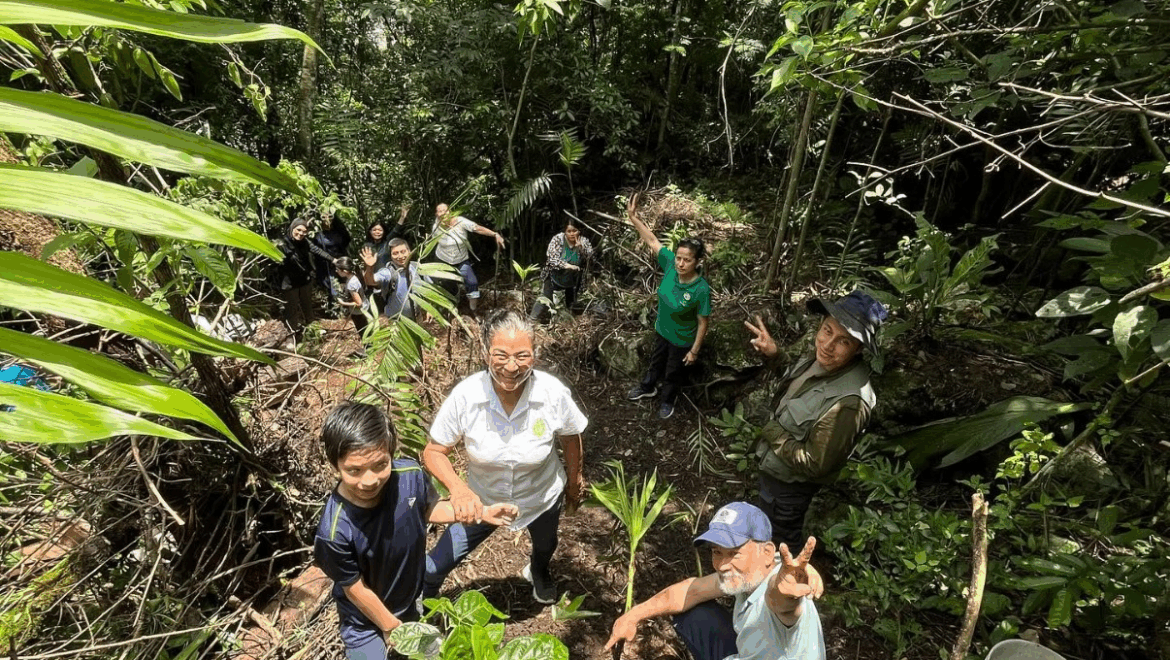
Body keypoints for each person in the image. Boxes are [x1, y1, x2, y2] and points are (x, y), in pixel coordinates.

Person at [314, 402, 517, 660]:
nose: (369, 480)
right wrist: (391, 627)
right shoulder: (334, 531)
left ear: (391, 452)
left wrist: (482, 513)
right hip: (363, 620)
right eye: (354, 470)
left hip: (409, 599)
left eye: (380, 465)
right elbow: (355, 589)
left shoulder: (409, 474)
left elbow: (428, 509)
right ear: (335, 466)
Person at [422, 310, 588, 604]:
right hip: (482, 501)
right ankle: (421, 610)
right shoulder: (466, 396)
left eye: (522, 356)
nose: (511, 367)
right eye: (501, 355)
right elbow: (434, 451)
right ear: (486, 353)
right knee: (435, 566)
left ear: (535, 355)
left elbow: (570, 437)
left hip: (541, 496)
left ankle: (538, 570)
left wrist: (575, 481)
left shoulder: (552, 393)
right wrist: (458, 490)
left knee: (546, 543)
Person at [743, 290, 887, 550]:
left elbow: (815, 464)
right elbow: (800, 384)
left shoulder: (850, 402)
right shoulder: (823, 360)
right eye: (827, 330)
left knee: (780, 550)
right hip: (773, 475)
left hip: (788, 492)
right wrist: (776, 355)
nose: (828, 345)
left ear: (858, 349)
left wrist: (772, 431)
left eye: (844, 341)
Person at [605, 502, 825, 660]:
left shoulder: (782, 587)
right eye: (717, 552)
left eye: (733, 553)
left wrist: (787, 594)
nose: (722, 564)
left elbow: (781, 603)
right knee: (695, 614)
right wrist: (632, 616)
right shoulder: (752, 570)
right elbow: (692, 590)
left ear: (767, 552)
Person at [623, 193, 712, 420]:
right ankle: (648, 387)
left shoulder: (701, 289)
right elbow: (652, 241)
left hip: (682, 339)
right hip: (662, 330)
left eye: (687, 260)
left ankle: (667, 400)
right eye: (679, 258)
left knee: (673, 371)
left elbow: (703, 322)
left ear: (697, 262)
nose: (681, 263)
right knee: (656, 363)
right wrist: (633, 218)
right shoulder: (671, 266)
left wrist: (694, 350)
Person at [430, 202, 505, 313]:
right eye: (439, 211)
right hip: (443, 259)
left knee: (472, 282)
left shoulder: (460, 221)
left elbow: (477, 228)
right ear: (437, 214)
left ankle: (473, 308)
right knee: (448, 285)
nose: (442, 213)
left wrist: (495, 234)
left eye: (444, 210)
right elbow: (432, 242)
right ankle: (453, 304)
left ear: (450, 212)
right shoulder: (436, 226)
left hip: (461, 259)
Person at [529, 219, 594, 322]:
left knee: (571, 304)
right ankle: (531, 321)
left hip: (572, 280)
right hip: (554, 276)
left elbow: (590, 258)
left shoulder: (584, 241)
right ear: (565, 232)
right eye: (569, 231)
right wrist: (566, 265)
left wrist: (581, 248)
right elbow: (551, 258)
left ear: (579, 231)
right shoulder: (558, 239)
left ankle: (568, 325)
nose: (572, 234)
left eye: (575, 231)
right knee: (545, 298)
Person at [359, 238, 428, 320]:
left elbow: (426, 289)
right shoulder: (389, 272)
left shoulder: (416, 267)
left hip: (417, 317)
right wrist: (370, 267)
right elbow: (370, 281)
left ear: (409, 251)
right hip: (397, 321)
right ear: (390, 256)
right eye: (395, 253)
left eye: (403, 252)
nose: (400, 256)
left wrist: (428, 309)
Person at [275, 218, 316, 343]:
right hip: (289, 284)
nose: (301, 233)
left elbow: (317, 251)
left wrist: (333, 260)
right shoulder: (282, 244)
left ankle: (313, 334)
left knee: (308, 308)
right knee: (291, 312)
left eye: (304, 231)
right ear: (292, 229)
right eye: (298, 230)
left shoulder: (305, 243)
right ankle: (291, 338)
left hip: (304, 281)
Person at [309, 209, 352, 309]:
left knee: (340, 285)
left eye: (329, 216)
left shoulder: (339, 231)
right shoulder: (317, 234)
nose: (327, 220)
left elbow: (346, 242)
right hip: (324, 264)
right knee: (329, 285)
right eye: (324, 217)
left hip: (339, 262)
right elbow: (314, 249)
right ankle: (334, 307)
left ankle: (340, 308)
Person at [362, 206, 410, 272]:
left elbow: (396, 230)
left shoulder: (387, 242)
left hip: (389, 274)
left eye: (380, 230)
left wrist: (402, 217)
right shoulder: (366, 246)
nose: (377, 232)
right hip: (373, 276)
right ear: (370, 232)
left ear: (384, 232)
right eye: (374, 230)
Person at [334, 257, 371, 339]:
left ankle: (367, 349)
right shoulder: (354, 276)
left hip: (359, 312)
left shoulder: (351, 284)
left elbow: (359, 303)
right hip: (364, 308)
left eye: (338, 270)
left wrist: (342, 303)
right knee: (366, 331)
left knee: (363, 333)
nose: (336, 271)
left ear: (345, 271)